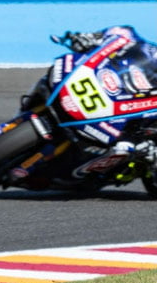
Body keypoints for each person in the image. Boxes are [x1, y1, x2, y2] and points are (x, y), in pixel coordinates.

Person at [19, 25, 157, 184]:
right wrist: (90, 38)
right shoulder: (150, 52)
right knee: (51, 81)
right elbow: (124, 34)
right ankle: (21, 116)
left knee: (126, 156)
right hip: (107, 98)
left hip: (131, 142)